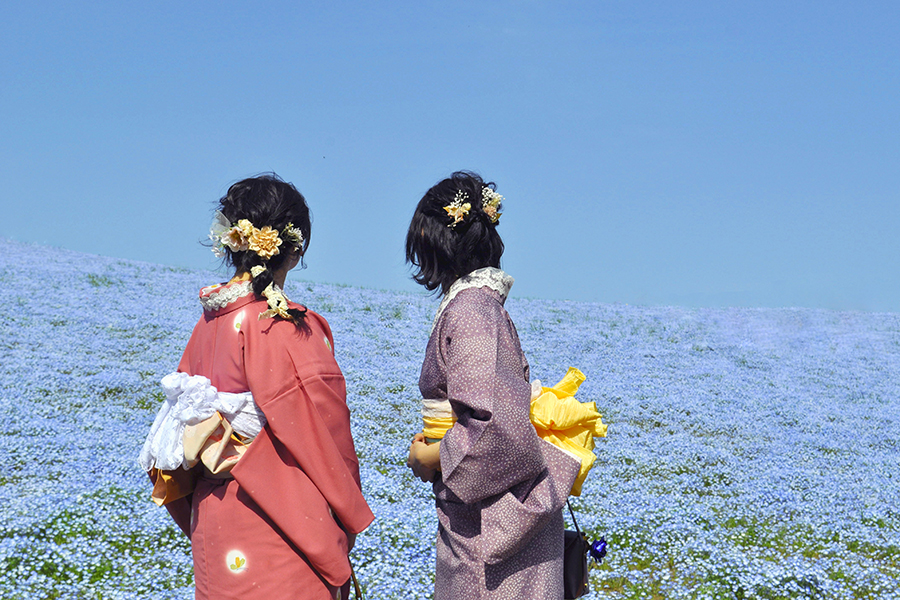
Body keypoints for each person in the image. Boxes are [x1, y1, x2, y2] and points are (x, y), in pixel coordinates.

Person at [139, 174, 373, 600]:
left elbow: (176, 444)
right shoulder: (285, 326)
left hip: (216, 524)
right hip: (282, 532)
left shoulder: (205, 327)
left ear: (232, 240)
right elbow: (325, 437)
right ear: (296, 250)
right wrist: (346, 520)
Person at [405, 171, 581, 599]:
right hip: (485, 516)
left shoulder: (470, 313)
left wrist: (429, 456)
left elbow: (494, 426)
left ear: (435, 244)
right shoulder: (479, 307)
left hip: (490, 531)